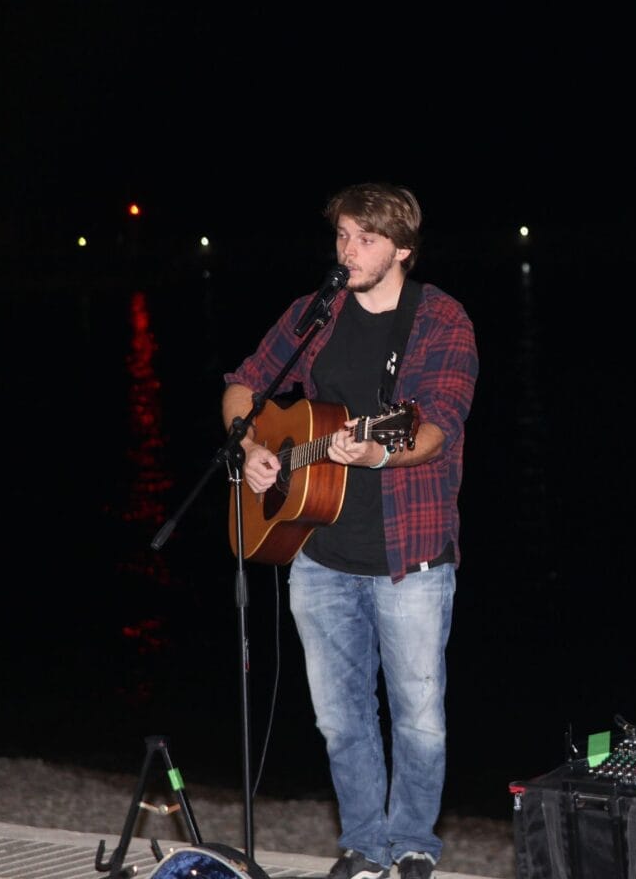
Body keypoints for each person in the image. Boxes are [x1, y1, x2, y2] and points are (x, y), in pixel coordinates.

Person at [221, 181, 478, 879]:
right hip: (317, 549)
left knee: (420, 720)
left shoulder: (442, 320)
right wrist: (254, 451)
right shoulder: (316, 313)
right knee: (340, 720)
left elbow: (436, 429)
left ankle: (415, 844)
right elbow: (243, 385)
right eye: (340, 235)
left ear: (402, 247)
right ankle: (364, 845)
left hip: (412, 558)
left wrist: (381, 450)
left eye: (364, 238)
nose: (347, 250)